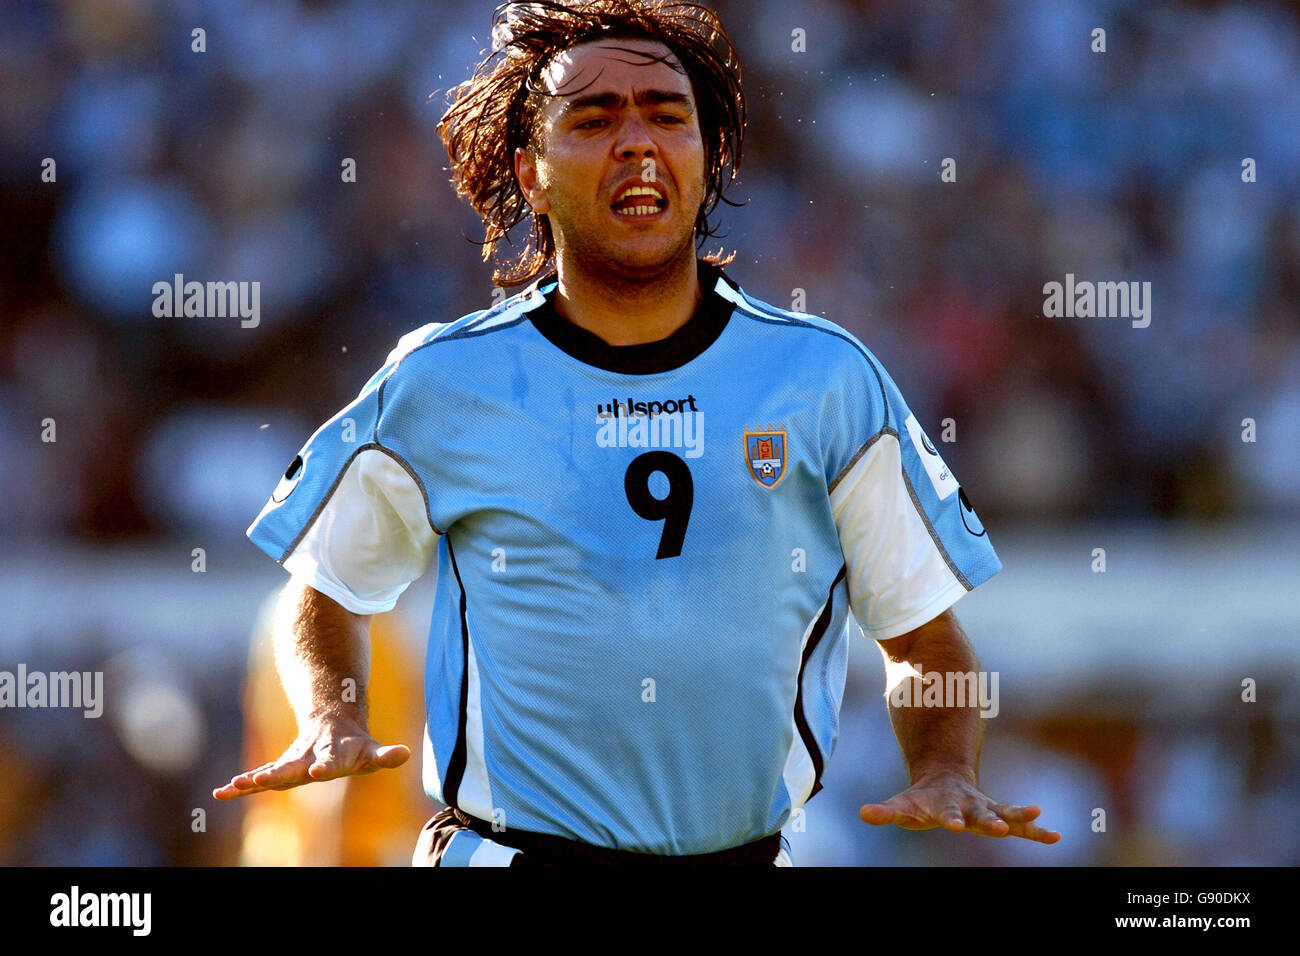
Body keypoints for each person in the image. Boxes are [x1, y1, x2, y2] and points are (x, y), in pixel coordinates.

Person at [213, 0, 1059, 866]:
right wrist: (330, 715)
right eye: (592, 118)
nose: (636, 140)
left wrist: (948, 764)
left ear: (708, 155)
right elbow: (326, 585)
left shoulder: (825, 380)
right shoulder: (445, 381)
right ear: (530, 173)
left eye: (667, 114)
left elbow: (921, 633)